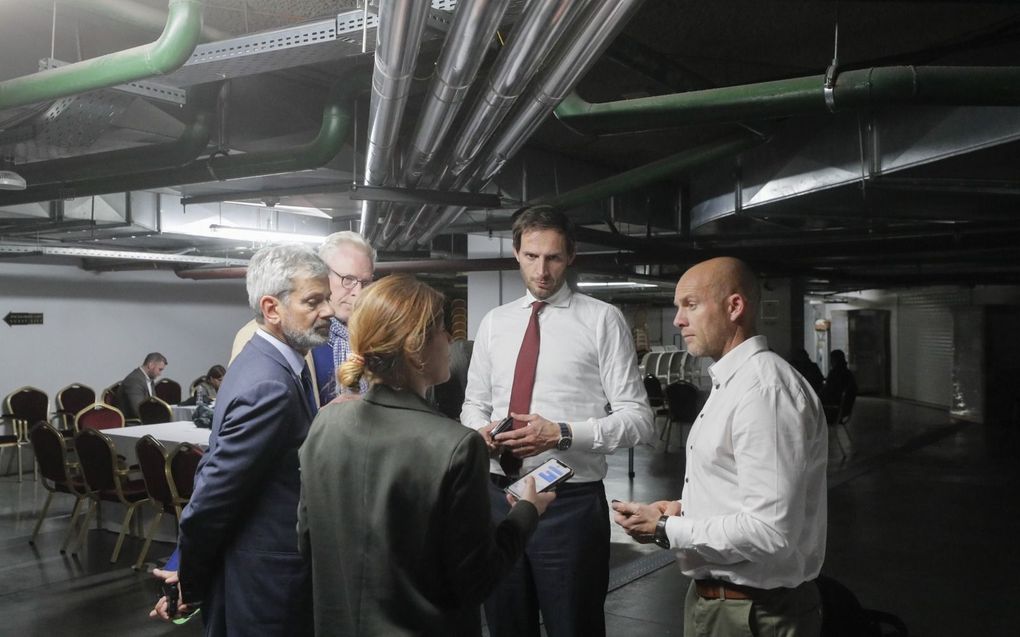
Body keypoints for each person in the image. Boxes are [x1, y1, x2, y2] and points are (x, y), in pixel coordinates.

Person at [298, 274, 555, 636]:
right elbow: (475, 581)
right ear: (416, 349)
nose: (450, 340)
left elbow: (308, 543)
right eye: (441, 331)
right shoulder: (458, 447)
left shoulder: (325, 425)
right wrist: (526, 513)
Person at [461, 205, 655, 637]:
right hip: (498, 498)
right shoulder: (495, 323)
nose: (542, 270)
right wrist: (480, 432)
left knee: (575, 626)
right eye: (531, 256)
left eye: (553, 258)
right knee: (506, 625)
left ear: (571, 256)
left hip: (569, 503)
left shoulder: (602, 320)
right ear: (516, 253)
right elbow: (473, 403)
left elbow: (639, 420)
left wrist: (563, 434)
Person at [612, 256, 827, 637]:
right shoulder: (735, 382)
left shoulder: (764, 391)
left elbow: (770, 533)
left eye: (690, 305)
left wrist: (666, 529)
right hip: (722, 603)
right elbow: (739, 491)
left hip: (753, 614)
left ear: (734, 307)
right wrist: (682, 509)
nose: (678, 319)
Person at [150, 243, 333, 636]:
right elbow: (214, 495)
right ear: (272, 309)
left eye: (328, 299)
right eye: (314, 301)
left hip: (265, 572)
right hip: (265, 582)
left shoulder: (265, 363)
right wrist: (190, 581)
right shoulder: (270, 384)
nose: (329, 311)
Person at [229, 231, 375, 406]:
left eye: (365, 283)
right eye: (348, 279)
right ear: (321, 273)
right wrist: (326, 421)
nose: (358, 293)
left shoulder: (374, 334)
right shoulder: (264, 334)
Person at [117, 352, 167, 420]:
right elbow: (138, 410)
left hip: (146, 420)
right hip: (134, 424)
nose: (160, 374)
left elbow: (154, 404)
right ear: (151, 365)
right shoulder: (134, 380)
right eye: (160, 369)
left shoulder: (149, 379)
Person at [821, 349, 857, 423]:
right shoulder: (848, 373)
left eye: (831, 359)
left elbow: (828, 392)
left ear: (835, 360)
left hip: (832, 409)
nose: (830, 362)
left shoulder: (835, 373)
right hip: (842, 410)